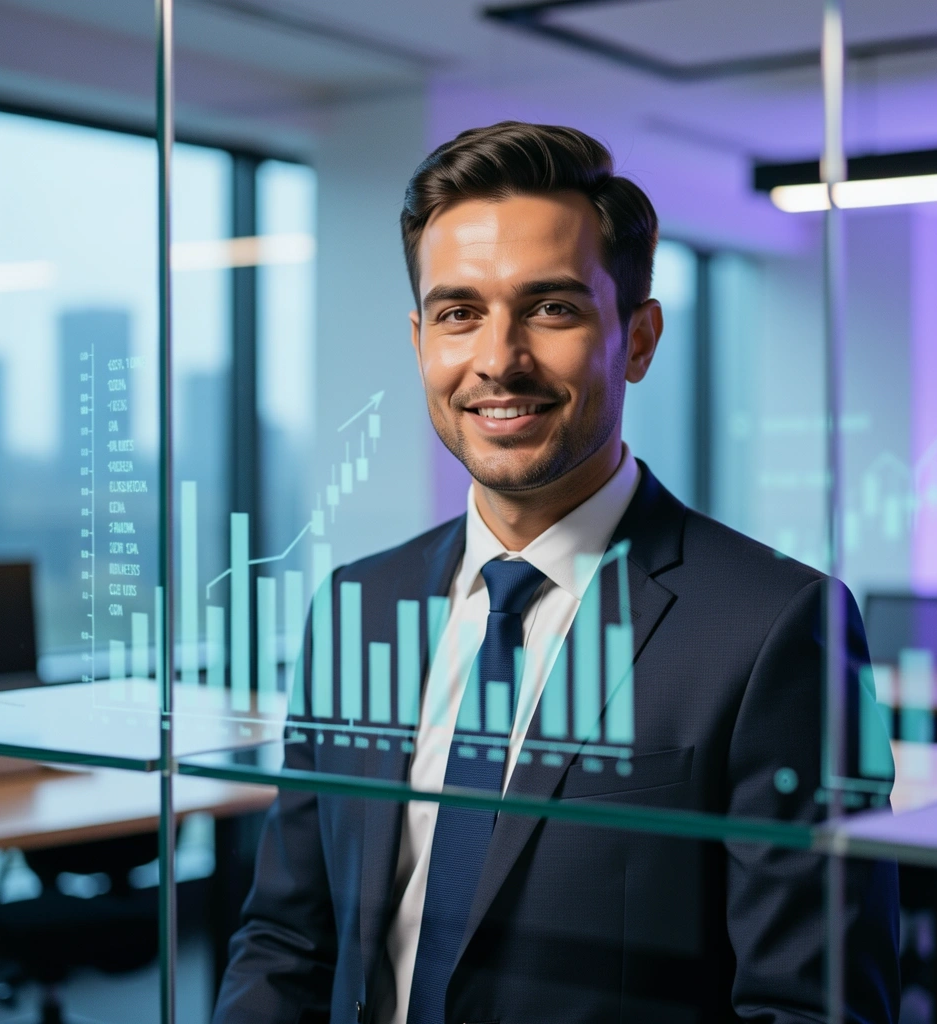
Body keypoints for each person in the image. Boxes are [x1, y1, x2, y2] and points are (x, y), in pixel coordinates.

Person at [213, 121, 899, 1024]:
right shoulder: (358, 608)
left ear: (640, 340)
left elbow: (812, 1008)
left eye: (553, 308)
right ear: (422, 340)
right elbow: (288, 939)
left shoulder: (772, 626)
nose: (498, 359)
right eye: (460, 313)